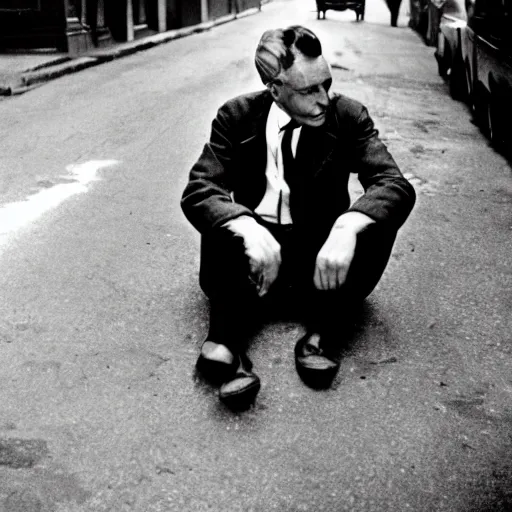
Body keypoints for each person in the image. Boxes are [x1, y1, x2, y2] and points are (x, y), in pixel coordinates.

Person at [181, 25, 415, 408]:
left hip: (319, 260)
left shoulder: (347, 116)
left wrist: (348, 224)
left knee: (374, 223)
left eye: (327, 83)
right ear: (275, 90)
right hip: (257, 261)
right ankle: (224, 343)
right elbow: (200, 189)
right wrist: (245, 227)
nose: (324, 98)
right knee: (220, 223)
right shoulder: (236, 116)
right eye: (309, 90)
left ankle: (321, 332)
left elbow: (393, 182)